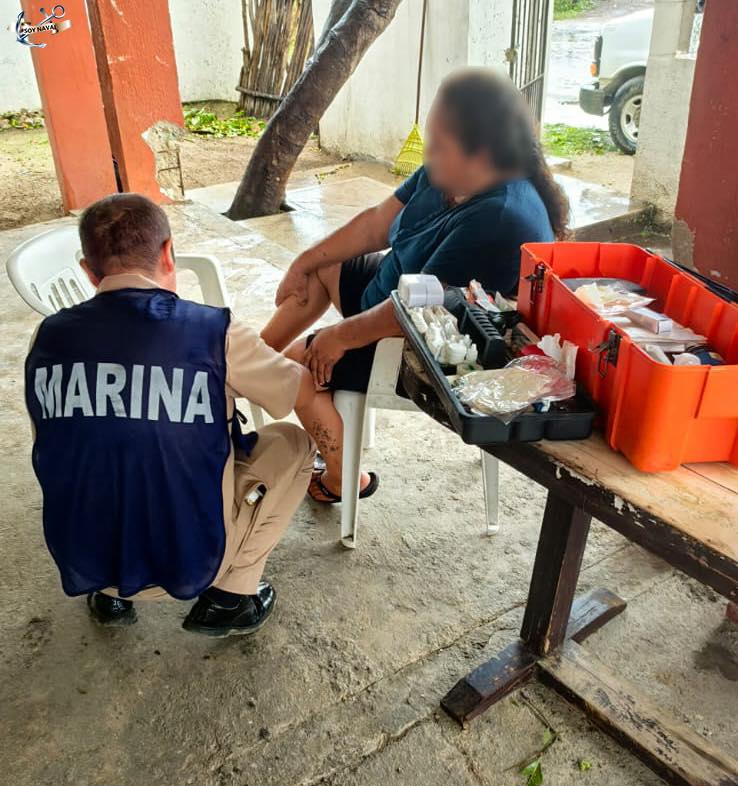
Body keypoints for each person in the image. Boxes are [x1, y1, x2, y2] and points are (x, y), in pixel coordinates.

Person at [261, 69, 569, 503]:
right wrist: (304, 260)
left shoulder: (499, 218)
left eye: (438, 145)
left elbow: (415, 312)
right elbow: (376, 223)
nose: (428, 152)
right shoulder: (450, 173)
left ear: (481, 155)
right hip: (394, 292)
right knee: (320, 267)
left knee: (299, 370)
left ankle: (343, 478)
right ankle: (248, 362)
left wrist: (337, 337)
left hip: (419, 341)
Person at [25, 193, 316, 637]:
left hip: (84, 558)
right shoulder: (213, 332)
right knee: (293, 444)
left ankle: (110, 595)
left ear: (88, 271)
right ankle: (231, 599)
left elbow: (56, 449)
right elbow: (298, 389)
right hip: (189, 560)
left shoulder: (47, 338)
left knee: (98, 443)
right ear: (167, 253)